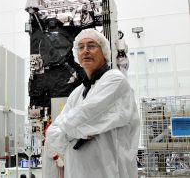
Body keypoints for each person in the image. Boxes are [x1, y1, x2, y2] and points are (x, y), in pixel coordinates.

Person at [46, 28, 140, 178]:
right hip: (76, 172)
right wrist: (74, 131)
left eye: (91, 46)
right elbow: (52, 134)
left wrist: (67, 130)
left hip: (109, 171)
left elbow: (84, 117)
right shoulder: (77, 93)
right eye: (81, 47)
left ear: (104, 51)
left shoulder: (115, 80)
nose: (86, 51)